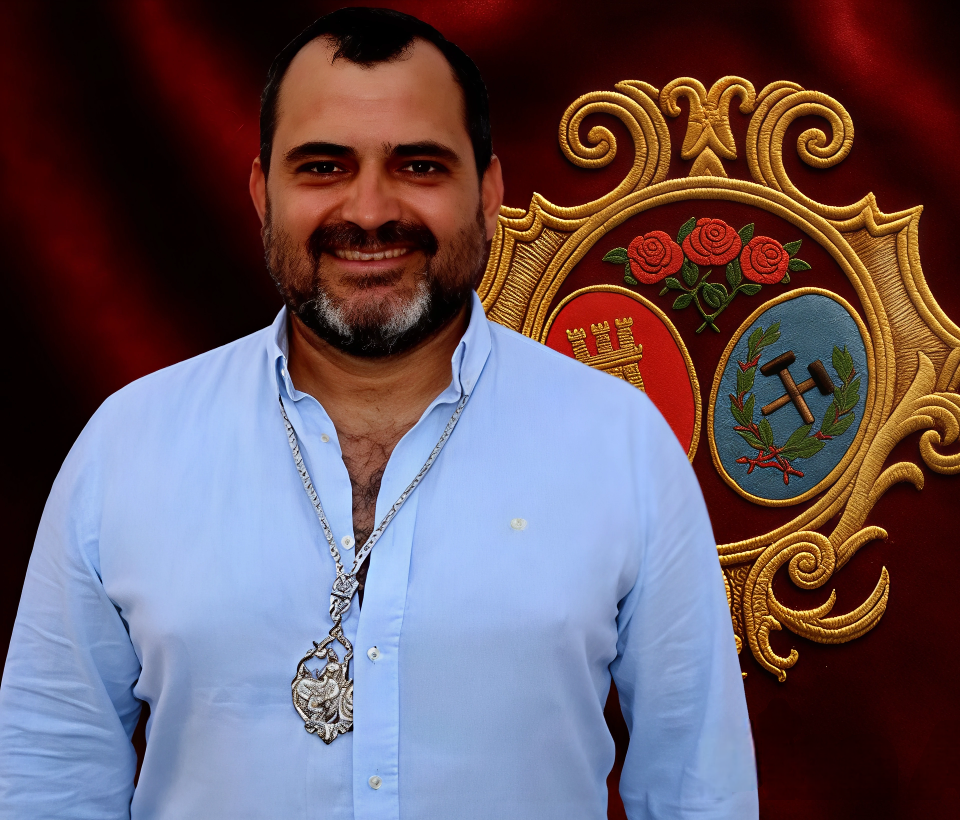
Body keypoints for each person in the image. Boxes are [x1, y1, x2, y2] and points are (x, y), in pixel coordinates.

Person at [0, 7, 757, 819]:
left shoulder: (620, 445)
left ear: (488, 193)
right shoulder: (129, 446)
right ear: (261, 194)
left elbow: (697, 792)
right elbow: (51, 779)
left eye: (419, 165)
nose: (368, 211)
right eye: (323, 167)